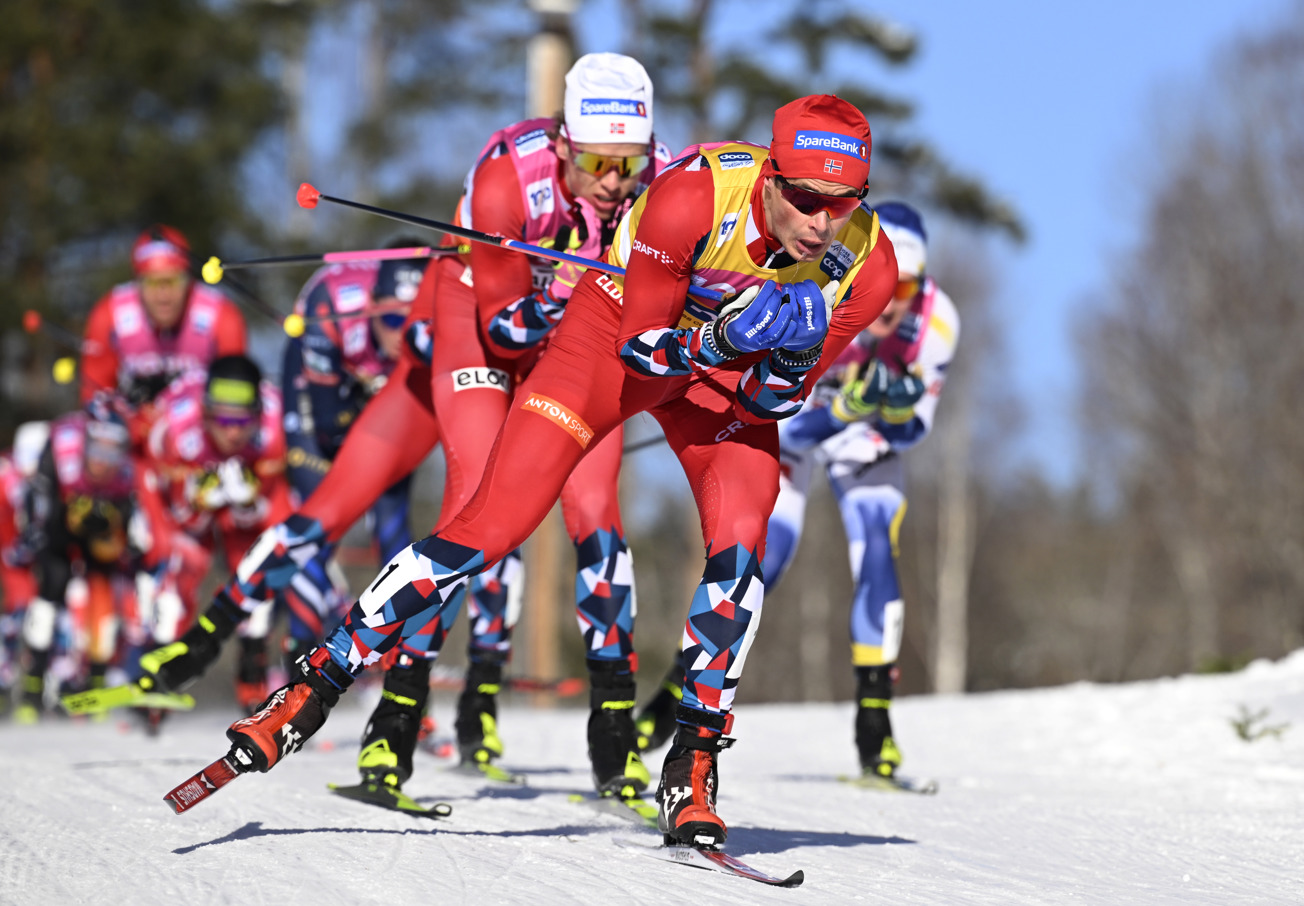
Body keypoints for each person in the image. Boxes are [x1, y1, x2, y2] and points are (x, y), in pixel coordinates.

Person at [222, 93, 898, 849]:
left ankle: (694, 761)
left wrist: (794, 357)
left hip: (719, 379)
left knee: (745, 539)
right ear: (772, 177)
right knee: (490, 526)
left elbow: (772, 400)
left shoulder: (868, 266)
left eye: (842, 205)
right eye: (805, 198)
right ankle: (315, 682)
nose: (820, 222)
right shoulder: (692, 197)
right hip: (615, 340)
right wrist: (722, 338)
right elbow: (642, 349)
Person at [144, 53, 668, 801]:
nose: (617, 183)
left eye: (631, 163)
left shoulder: (667, 182)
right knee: (473, 508)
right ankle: (392, 725)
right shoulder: (506, 177)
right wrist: (580, 288)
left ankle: (614, 738)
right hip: (481, 326)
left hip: (577, 336)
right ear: (561, 144)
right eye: (596, 162)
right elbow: (508, 329)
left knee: (595, 509)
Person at [634, 202, 959, 786]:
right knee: (762, 561)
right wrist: (845, 408)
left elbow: (916, 430)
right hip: (801, 428)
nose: (893, 304)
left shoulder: (937, 321)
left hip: (865, 443)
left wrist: (895, 411)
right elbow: (789, 422)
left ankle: (874, 728)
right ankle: (669, 702)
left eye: (908, 288)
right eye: (891, 286)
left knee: (878, 552)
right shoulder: (829, 287)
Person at [279, 249, 430, 660]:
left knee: (393, 526)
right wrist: (366, 405)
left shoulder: (431, 330)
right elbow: (328, 424)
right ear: (372, 309)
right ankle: (297, 653)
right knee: (319, 517)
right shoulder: (332, 303)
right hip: (321, 383)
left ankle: (401, 668)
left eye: (415, 323)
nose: (403, 336)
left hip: (375, 388)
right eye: (393, 322)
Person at [139, 355, 290, 712]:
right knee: (180, 565)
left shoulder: (276, 431)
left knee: (259, 564)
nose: (233, 432)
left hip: (248, 510)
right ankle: (157, 669)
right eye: (222, 420)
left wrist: (245, 504)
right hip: (185, 502)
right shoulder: (175, 431)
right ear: (205, 413)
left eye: (243, 421)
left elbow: (272, 517)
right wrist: (197, 499)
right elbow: (180, 519)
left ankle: (252, 669)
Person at [14, 399, 147, 722]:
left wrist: (111, 530)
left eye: (112, 450)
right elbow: (39, 513)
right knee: (53, 583)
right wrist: (62, 520)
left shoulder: (125, 474)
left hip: (98, 523)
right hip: (58, 516)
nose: (103, 460)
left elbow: (125, 536)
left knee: (103, 586)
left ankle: (96, 682)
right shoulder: (60, 453)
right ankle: (33, 683)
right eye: (97, 448)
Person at [81, 226, 248, 447]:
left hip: (199, 442)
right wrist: (131, 421)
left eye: (173, 281)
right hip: (132, 445)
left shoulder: (221, 315)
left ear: (189, 280)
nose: (163, 296)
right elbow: (94, 395)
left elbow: (235, 398)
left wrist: (180, 418)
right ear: (137, 282)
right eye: (151, 282)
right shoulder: (109, 315)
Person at [0, 423, 49, 715]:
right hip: (11, 560)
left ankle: (39, 689)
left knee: (40, 617)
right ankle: (5, 686)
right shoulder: (7, 477)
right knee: (15, 618)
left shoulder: (49, 479)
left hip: (34, 562)